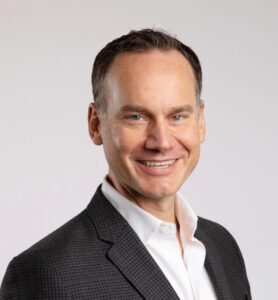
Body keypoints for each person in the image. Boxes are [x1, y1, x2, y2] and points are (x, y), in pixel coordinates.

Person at [0, 28, 251, 300]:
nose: (162, 142)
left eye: (177, 117)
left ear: (200, 122)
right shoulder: (45, 273)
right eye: (136, 117)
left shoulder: (222, 246)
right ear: (96, 124)